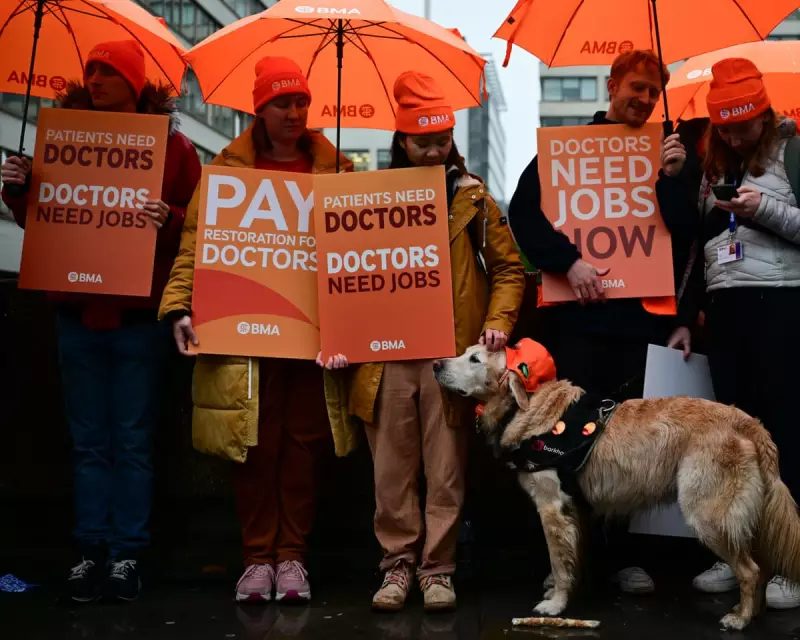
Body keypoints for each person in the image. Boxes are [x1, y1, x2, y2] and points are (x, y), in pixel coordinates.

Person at [0, 40, 200, 602]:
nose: (95, 79)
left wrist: (171, 217)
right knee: (89, 439)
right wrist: (18, 187)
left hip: (138, 315)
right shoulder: (63, 138)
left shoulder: (174, 147)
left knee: (131, 439)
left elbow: (202, 222)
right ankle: (92, 551)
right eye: (90, 70)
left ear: (133, 81)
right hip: (77, 311)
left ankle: (126, 555)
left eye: (108, 71)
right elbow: (45, 217)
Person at [319, 71, 526, 612]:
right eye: (423, 142)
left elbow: (509, 269)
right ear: (402, 142)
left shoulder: (473, 197)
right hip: (383, 359)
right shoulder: (367, 197)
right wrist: (338, 334)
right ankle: (397, 567)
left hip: (449, 357)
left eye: (443, 140)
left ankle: (438, 571)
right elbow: (342, 273)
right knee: (390, 473)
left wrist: (498, 322)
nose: (435, 151)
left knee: (447, 471)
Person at [159, 57, 353, 605]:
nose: (294, 113)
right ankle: (256, 560)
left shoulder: (339, 174)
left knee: (304, 450)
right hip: (246, 340)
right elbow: (193, 247)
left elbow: (357, 255)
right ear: (259, 110)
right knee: (254, 447)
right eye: (281, 103)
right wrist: (179, 308)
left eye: (301, 103)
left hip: (313, 343)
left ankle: (292, 558)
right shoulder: (225, 171)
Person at [507, 49, 695, 594]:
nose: (645, 99)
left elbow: (686, 236)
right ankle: (569, 560)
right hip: (581, 328)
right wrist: (568, 261)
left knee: (634, 449)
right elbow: (523, 214)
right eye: (637, 87)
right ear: (612, 86)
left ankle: (623, 560)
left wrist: (671, 180)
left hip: (642, 328)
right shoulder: (566, 149)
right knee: (571, 444)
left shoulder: (667, 154)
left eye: (653, 92)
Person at [657, 58, 800, 610]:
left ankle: (790, 561)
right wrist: (684, 317)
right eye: (727, 127)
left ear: (764, 114)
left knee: (785, 433)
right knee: (734, 442)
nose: (736, 136)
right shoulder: (710, 163)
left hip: (783, 305)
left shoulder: (792, 151)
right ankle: (737, 551)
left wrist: (763, 209)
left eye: (745, 126)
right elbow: (697, 244)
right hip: (725, 313)